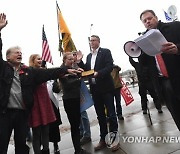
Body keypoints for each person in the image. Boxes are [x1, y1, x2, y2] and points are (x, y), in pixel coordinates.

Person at [0, 13, 80, 154]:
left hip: (22, 114)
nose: (19, 54)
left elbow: (49, 73)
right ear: (7, 57)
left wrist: (65, 69)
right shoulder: (3, 69)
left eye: (21, 52)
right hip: (4, 114)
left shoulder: (29, 71)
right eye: (16, 52)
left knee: (21, 146)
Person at [139, 10, 180, 130]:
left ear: (156, 18)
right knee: (177, 115)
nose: (148, 21)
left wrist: (177, 49)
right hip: (164, 84)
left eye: (150, 18)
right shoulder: (143, 40)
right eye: (144, 21)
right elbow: (145, 65)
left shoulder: (175, 27)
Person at [78, 35, 120, 152]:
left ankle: (114, 139)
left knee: (111, 114)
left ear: (98, 41)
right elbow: (87, 70)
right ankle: (103, 138)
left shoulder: (105, 52)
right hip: (95, 89)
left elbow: (109, 67)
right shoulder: (89, 56)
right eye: (90, 41)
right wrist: (80, 61)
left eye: (93, 40)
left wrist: (98, 73)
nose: (91, 42)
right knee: (100, 115)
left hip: (106, 88)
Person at [59, 52, 90, 154]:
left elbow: (83, 72)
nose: (72, 61)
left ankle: (78, 149)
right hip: (69, 100)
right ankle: (77, 150)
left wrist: (81, 72)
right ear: (64, 60)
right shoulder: (62, 70)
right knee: (74, 125)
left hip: (76, 98)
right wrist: (79, 77)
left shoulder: (74, 68)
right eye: (69, 59)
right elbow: (67, 84)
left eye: (73, 59)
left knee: (77, 124)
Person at [28, 54, 57, 154]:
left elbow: (53, 74)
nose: (40, 60)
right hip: (35, 106)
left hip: (45, 104)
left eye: (41, 59)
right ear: (33, 60)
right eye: (38, 59)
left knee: (46, 131)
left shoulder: (43, 71)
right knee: (36, 133)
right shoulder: (30, 72)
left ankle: (46, 150)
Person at [72, 51, 92, 145]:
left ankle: (87, 134)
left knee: (83, 114)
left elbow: (84, 72)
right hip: (73, 94)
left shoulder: (78, 65)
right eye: (72, 55)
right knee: (77, 115)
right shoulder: (67, 66)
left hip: (80, 91)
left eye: (75, 55)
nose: (73, 56)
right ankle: (81, 132)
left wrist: (79, 61)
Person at [47, 79, 62, 154]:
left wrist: (55, 82)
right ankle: (45, 147)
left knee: (54, 126)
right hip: (41, 105)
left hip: (52, 104)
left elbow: (57, 90)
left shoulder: (51, 80)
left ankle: (55, 145)